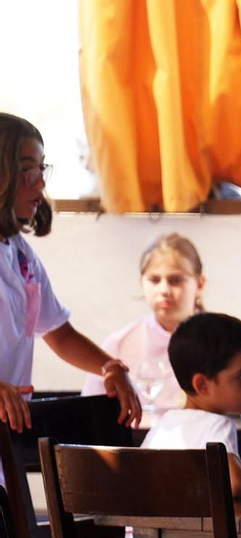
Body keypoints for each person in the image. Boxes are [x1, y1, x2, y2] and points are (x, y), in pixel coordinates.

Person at [0, 113, 140, 430]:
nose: (40, 182)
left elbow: (59, 333)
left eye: (41, 167)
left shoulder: (21, 255)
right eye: (26, 170)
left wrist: (109, 366)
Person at [141, 312, 241, 498]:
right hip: (189, 528)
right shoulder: (217, 425)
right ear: (202, 385)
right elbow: (234, 484)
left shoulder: (164, 423)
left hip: (150, 527)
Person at [80, 232, 202, 409]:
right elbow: (90, 412)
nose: (164, 290)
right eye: (154, 280)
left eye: (176, 280)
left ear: (200, 284)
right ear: (141, 283)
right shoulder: (119, 344)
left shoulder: (222, 342)